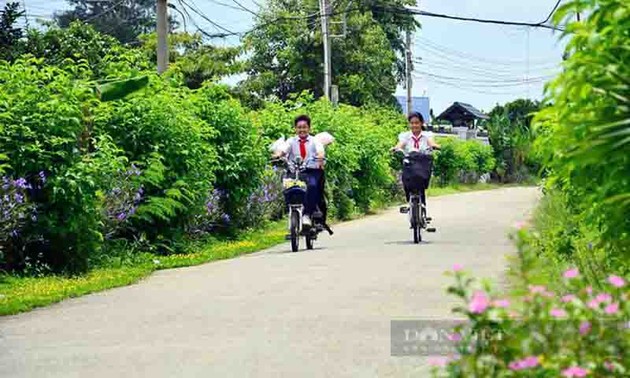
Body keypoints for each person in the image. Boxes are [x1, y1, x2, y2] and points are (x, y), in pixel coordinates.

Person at [274, 114, 325, 226]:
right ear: (295, 129)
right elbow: (283, 149)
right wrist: (278, 155)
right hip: (294, 171)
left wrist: (320, 156)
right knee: (287, 186)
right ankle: (292, 212)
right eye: (299, 127)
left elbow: (320, 150)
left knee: (312, 186)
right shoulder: (291, 141)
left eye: (304, 127)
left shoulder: (314, 140)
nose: (302, 130)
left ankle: (307, 214)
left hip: (310, 170)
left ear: (309, 128)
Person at [392, 111, 440, 206]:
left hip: (422, 163)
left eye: (417, 123)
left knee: (421, 182)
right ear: (409, 124)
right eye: (412, 123)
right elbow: (401, 143)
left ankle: (422, 206)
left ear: (421, 123)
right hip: (410, 163)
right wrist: (396, 148)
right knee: (406, 181)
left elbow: (431, 142)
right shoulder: (405, 135)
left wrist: (435, 146)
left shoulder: (427, 135)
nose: (414, 125)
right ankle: (409, 203)